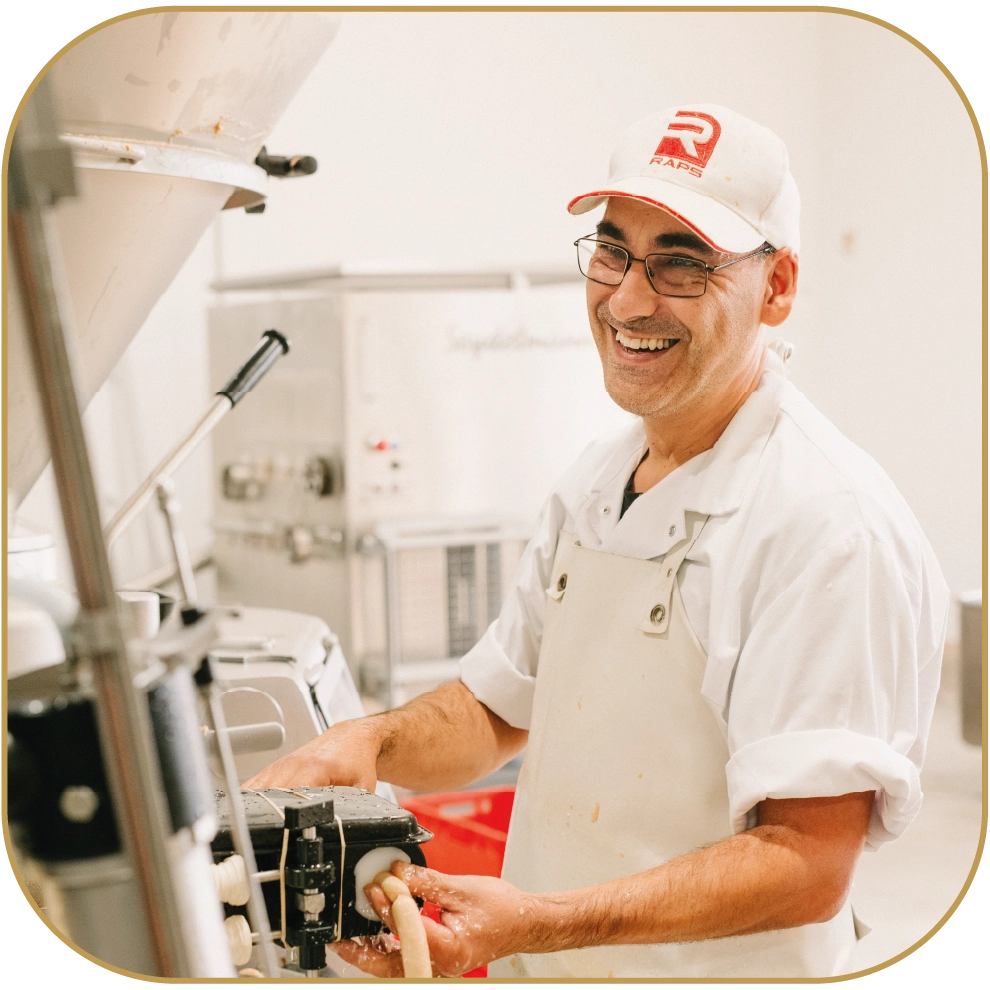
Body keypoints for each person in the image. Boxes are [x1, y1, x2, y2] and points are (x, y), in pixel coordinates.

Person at [245, 104, 948, 978]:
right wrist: (370, 742)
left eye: (682, 264)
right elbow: (499, 706)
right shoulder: (595, 481)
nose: (628, 299)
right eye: (613, 251)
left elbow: (806, 863)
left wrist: (536, 923)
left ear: (777, 286)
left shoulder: (826, 527)